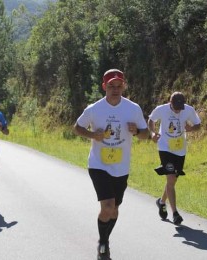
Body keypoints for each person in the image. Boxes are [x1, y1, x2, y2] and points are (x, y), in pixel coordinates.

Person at [73, 69, 149, 260]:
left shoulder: (133, 108)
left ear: (124, 86)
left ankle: (104, 239)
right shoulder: (94, 109)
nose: (115, 89)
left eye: (119, 85)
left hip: (121, 166)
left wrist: (136, 131)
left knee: (114, 209)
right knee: (107, 206)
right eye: (111, 86)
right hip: (99, 164)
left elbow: (145, 134)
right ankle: (103, 243)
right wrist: (93, 135)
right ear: (104, 86)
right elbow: (77, 127)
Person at [148, 91, 201, 225]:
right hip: (165, 147)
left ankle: (161, 202)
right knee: (170, 178)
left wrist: (191, 128)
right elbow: (151, 120)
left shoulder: (188, 110)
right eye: (175, 107)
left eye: (180, 107)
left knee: (172, 181)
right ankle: (175, 213)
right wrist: (153, 133)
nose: (178, 110)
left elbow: (198, 125)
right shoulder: (161, 109)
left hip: (180, 149)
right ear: (169, 103)